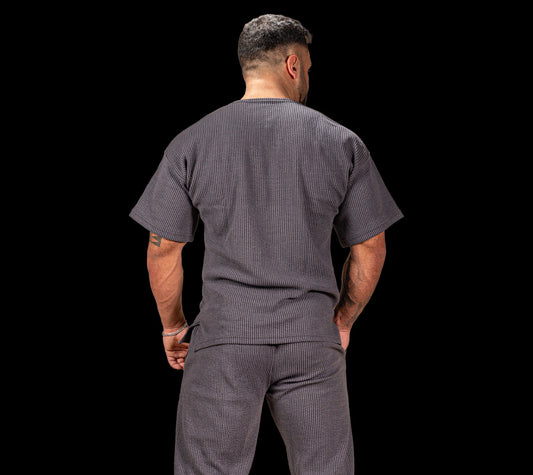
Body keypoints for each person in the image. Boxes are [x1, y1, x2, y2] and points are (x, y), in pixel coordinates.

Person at [130, 13, 403, 474]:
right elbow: (371, 247)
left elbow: (162, 249)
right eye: (308, 68)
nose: (308, 78)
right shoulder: (342, 143)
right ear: (293, 65)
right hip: (311, 341)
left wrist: (173, 328)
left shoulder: (191, 143)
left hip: (225, 341)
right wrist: (342, 320)